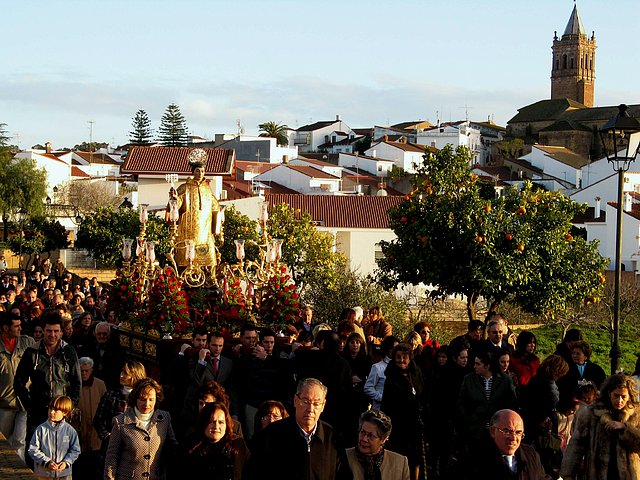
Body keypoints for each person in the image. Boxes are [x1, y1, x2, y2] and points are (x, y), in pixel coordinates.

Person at [246, 378, 338, 480]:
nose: (310, 409)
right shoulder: (271, 434)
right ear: (295, 400)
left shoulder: (332, 437)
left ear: (323, 406)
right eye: (305, 401)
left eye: (316, 404)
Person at [14, 309, 81, 443]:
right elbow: (19, 381)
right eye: (49, 331)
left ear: (61, 332)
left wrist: (69, 406)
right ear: (43, 331)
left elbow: (76, 382)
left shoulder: (68, 352)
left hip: (61, 412)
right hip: (37, 411)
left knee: (59, 451)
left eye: (56, 331)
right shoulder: (32, 352)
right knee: (33, 450)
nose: (52, 335)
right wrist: (29, 404)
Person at [561, 374, 640, 480]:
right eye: (616, 396)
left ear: (629, 396)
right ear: (609, 393)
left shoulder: (635, 415)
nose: (619, 400)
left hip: (627, 475)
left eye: (623, 397)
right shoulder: (591, 413)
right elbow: (576, 444)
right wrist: (568, 474)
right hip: (596, 473)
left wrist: (625, 428)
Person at [104, 377, 178, 480]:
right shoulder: (120, 422)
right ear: (135, 398)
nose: (147, 404)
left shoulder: (164, 418)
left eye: (151, 399)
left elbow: (173, 447)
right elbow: (112, 457)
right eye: (143, 399)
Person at [168, 148, 221, 268]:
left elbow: (215, 206)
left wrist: (217, 225)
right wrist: (175, 198)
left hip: (205, 229)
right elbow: (178, 203)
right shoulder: (185, 187)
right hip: (189, 228)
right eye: (197, 171)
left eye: (202, 171)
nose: (200, 173)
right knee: (187, 255)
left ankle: (209, 277)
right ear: (193, 172)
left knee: (208, 258)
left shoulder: (207, 189)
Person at [381, 343, 427, 480]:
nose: (401, 360)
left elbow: (423, 394)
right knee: (399, 459)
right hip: (398, 426)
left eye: (404, 357)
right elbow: (387, 404)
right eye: (398, 357)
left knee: (415, 460)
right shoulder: (391, 377)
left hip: (415, 426)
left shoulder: (416, 373)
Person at [469, 409, 546, 479]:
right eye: (507, 432)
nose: (513, 438)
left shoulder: (531, 455)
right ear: (493, 431)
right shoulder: (474, 459)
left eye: (518, 433)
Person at [0, 311, 35, 460]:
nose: (20, 329)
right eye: (16, 326)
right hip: (3, 403)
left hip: (24, 401)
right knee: (3, 442)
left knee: (20, 442)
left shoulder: (27, 342)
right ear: (5, 328)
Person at [183, 401, 249, 479]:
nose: (216, 426)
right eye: (212, 422)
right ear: (203, 422)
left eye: (221, 422)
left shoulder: (237, 444)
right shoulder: (191, 445)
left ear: (226, 425)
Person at [338, 410, 410, 480]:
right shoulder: (343, 458)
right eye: (362, 432)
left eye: (371, 435)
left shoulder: (400, 463)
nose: (364, 439)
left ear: (383, 439)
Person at [93, 360, 147, 452]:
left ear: (136, 375)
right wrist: (107, 436)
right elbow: (98, 420)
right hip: (111, 447)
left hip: (134, 448)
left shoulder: (143, 398)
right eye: (122, 372)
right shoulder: (111, 395)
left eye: (126, 373)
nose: (121, 375)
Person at [28, 395, 80, 480]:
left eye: (56, 410)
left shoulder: (70, 431)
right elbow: (33, 449)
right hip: (44, 474)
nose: (51, 412)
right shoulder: (41, 429)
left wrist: (66, 462)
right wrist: (46, 462)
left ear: (65, 412)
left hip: (64, 474)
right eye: (50, 408)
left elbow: (75, 450)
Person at [75, 356, 107, 479]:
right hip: (79, 429)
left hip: (95, 432)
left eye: (86, 370)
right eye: (81, 371)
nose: (84, 373)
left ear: (91, 370)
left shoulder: (100, 384)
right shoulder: (74, 384)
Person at [363, 336, 399, 411]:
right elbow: (368, 388)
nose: (395, 351)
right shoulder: (377, 367)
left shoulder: (401, 367)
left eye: (397, 348)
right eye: (393, 348)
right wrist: (381, 397)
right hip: (380, 410)